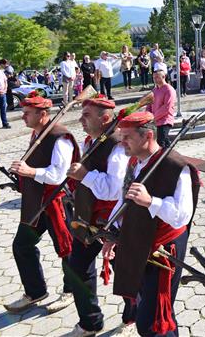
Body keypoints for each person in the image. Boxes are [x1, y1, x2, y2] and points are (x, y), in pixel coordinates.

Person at [101, 111, 201, 337]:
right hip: (138, 241)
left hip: (164, 248)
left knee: (150, 320)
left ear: (147, 136)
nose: (122, 142)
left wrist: (151, 202)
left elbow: (182, 216)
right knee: (157, 313)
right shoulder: (134, 162)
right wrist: (112, 233)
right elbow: (122, 200)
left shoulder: (176, 166)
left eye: (127, 137)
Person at [5, 92, 78, 314]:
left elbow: (59, 174)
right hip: (35, 202)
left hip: (55, 202)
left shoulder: (60, 137)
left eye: (27, 113)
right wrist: (21, 176)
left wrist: (30, 171)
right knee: (22, 245)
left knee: (67, 249)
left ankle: (71, 290)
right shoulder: (38, 133)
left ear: (42, 114)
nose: (23, 117)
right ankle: (36, 291)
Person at [64, 94, 129, 336]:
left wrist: (85, 176)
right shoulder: (92, 141)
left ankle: (133, 313)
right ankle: (91, 322)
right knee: (78, 267)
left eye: (86, 115)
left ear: (105, 119)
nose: (80, 120)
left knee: (125, 272)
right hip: (86, 217)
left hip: (111, 222)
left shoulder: (117, 146)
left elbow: (115, 189)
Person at [147, 68, 177, 149]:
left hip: (165, 121)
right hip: (155, 121)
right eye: (153, 77)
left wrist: (153, 117)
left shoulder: (169, 90)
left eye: (157, 77)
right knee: (163, 144)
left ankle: (163, 159)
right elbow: (149, 104)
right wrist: (147, 116)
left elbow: (167, 107)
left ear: (163, 77)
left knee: (161, 143)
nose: (155, 79)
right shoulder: (154, 90)